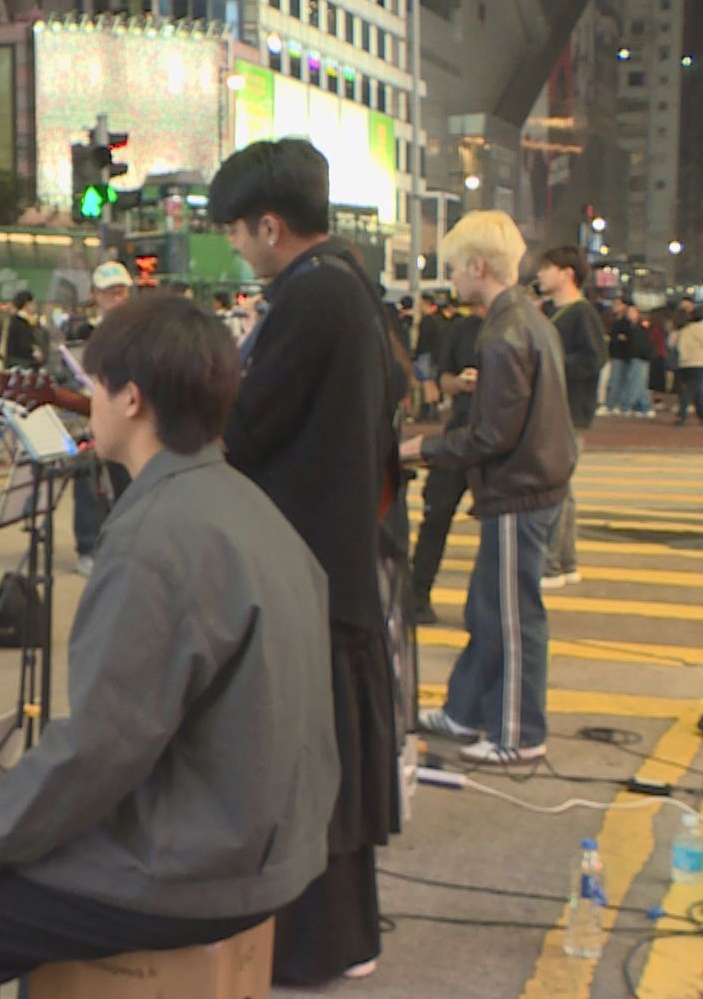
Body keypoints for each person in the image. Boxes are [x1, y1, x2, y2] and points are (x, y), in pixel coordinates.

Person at [0, 297, 336, 999]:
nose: (89, 400)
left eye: (94, 385)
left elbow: (101, 746)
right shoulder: (253, 510)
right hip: (275, 846)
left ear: (132, 399)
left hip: (198, 865)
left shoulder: (156, 536)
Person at [208, 139, 400, 984]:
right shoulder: (352, 287)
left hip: (308, 567)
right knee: (328, 761)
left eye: (238, 233)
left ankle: (318, 944)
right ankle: (341, 937)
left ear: (271, 225)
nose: (237, 249)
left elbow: (250, 429)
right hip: (338, 556)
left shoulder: (308, 300)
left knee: (306, 765)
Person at [405, 211, 575, 765]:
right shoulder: (529, 318)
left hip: (517, 491)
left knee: (512, 617)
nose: (450, 277)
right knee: (489, 608)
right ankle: (467, 710)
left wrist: (425, 448)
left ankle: (520, 733)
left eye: (453, 267)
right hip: (533, 486)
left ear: (478, 266)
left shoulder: (503, 333)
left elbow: (492, 435)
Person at [535, 247, 606, 589]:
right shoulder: (553, 311)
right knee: (561, 489)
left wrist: (551, 364)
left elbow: (593, 361)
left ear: (567, 273)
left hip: (569, 410)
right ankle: (564, 563)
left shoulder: (582, 314)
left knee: (554, 486)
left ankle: (552, 565)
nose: (539, 274)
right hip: (557, 409)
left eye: (546, 268)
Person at [409, 305, 484, 624]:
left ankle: (485, 608)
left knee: (496, 525)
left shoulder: (515, 325)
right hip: (460, 429)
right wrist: (461, 384)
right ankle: (417, 596)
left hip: (496, 434)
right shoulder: (460, 330)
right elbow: (444, 380)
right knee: (436, 514)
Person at [68, 263, 137, 577]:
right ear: (95, 295)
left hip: (129, 416)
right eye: (110, 292)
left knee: (128, 481)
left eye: (122, 291)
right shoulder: (81, 331)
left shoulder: (142, 328)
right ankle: (87, 546)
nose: (117, 298)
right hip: (90, 413)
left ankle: (127, 542)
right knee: (86, 478)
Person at [675, 305, 703, 426]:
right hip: (697, 362)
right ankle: (683, 414)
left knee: (690, 390)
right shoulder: (699, 328)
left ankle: (695, 414)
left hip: (684, 363)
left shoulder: (685, 329)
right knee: (695, 390)